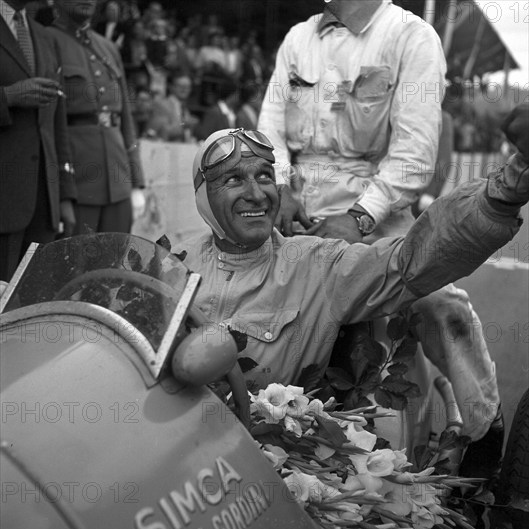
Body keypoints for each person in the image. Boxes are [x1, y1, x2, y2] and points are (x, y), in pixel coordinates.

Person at [175, 120, 527, 451]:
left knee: (439, 303)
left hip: (269, 461)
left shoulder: (318, 265)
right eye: (234, 180)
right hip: (170, 444)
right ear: (204, 195)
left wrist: (502, 194)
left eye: (265, 176)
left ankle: (484, 424)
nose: (256, 194)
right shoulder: (172, 263)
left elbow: (411, 262)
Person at [258, 0, 501, 451]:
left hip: (379, 209)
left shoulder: (411, 36)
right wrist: (279, 187)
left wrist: (359, 217)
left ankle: (483, 423)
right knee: (238, 288)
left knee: (436, 303)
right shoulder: (298, 39)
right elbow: (269, 126)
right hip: (299, 208)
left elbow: (414, 155)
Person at [47, 0, 145, 235]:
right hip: (78, 182)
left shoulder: (107, 48)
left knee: (114, 264)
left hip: (118, 177)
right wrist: (61, 191)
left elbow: (125, 119)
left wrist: (136, 182)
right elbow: (49, 123)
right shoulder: (47, 40)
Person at [0, 0, 76, 281]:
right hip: (5, 198)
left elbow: (57, 123)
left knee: (31, 306)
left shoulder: (42, 36)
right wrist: (8, 96)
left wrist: (64, 195)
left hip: (43, 203)